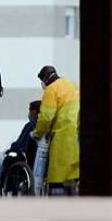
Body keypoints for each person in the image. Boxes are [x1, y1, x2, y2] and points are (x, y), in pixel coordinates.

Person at [32, 65, 80, 195]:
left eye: (42, 80)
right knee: (72, 178)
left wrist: (37, 133)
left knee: (58, 178)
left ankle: (58, 207)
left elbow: (46, 117)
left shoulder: (51, 89)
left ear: (46, 78)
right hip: (75, 138)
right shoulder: (72, 86)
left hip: (61, 138)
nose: (43, 84)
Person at [9, 100, 41, 166]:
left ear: (34, 111)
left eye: (29, 110)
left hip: (27, 159)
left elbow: (20, 144)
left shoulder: (30, 125)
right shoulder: (46, 126)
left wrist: (13, 147)